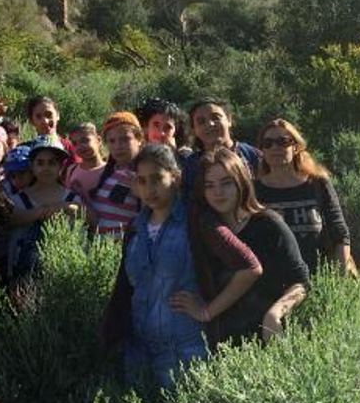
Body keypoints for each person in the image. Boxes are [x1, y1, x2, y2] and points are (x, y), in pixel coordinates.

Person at [99, 143, 260, 389]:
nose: (149, 189)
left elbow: (250, 267)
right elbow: (125, 287)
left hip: (184, 354)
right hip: (137, 352)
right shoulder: (135, 228)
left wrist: (207, 311)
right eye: (141, 181)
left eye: (156, 179)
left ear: (175, 177)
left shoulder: (197, 221)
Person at [196, 148, 310, 344]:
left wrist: (275, 312)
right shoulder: (203, 230)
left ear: (241, 182)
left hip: (265, 341)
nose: (218, 193)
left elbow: (301, 283)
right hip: (216, 344)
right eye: (209, 185)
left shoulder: (269, 224)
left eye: (226, 183)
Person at [253, 119, 357, 275]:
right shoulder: (254, 190)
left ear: (296, 147)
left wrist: (340, 276)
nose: (275, 147)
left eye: (283, 142)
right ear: (262, 150)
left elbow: (339, 233)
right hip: (272, 286)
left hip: (318, 279)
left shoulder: (317, 184)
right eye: (268, 143)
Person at [4, 135, 83, 283]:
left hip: (63, 274)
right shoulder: (18, 200)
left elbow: (91, 219)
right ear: (32, 166)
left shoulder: (72, 199)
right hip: (22, 275)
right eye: (40, 163)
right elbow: (8, 221)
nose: (46, 168)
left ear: (61, 166)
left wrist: (66, 206)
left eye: (52, 163)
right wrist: (40, 213)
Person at [80, 112, 142, 241]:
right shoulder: (109, 172)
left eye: (125, 139)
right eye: (112, 141)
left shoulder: (141, 175)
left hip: (122, 248)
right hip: (99, 247)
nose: (118, 146)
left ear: (139, 139)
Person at [183, 98, 262, 178]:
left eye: (216, 118)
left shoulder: (253, 156)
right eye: (201, 122)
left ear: (229, 120)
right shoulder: (191, 166)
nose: (210, 124)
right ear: (193, 130)